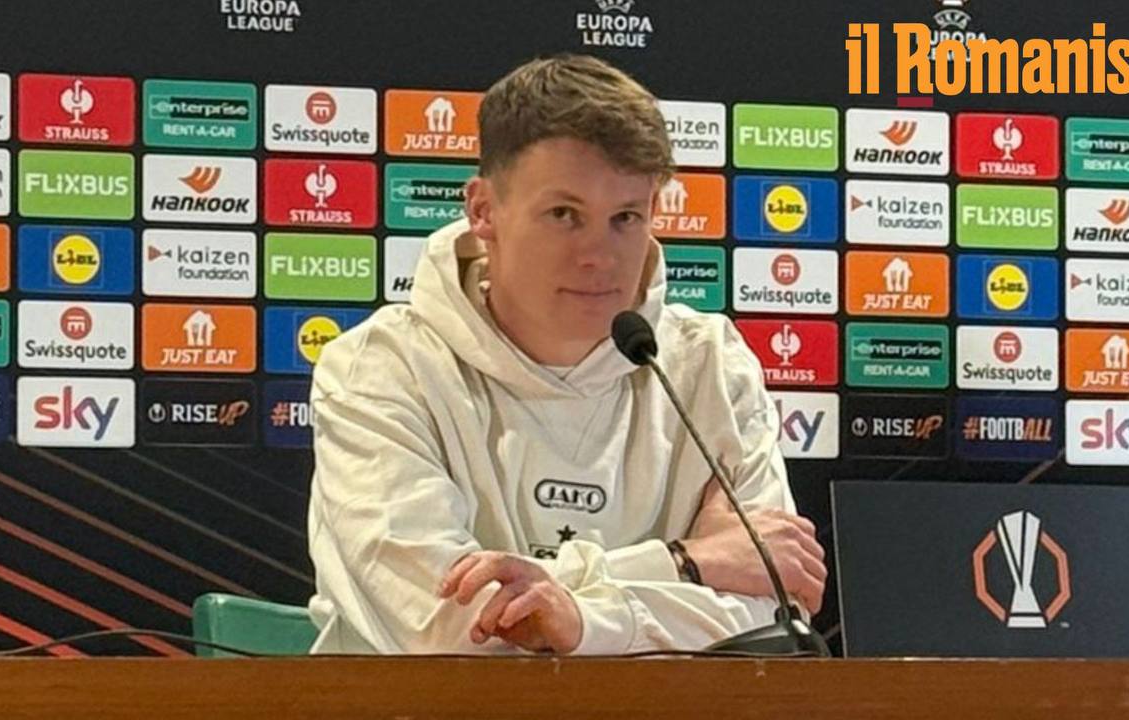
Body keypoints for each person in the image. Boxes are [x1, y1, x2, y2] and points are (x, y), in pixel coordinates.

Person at [306, 54, 826, 655]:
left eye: (625, 217)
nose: (598, 256)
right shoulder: (379, 369)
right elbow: (450, 629)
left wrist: (577, 618)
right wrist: (684, 564)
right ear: (483, 211)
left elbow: (774, 616)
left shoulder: (709, 364)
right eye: (564, 215)